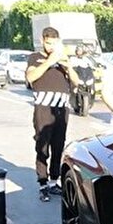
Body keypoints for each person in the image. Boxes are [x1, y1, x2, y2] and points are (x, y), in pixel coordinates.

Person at [25, 27, 79, 202]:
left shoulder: (63, 59)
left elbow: (76, 81)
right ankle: (42, 182)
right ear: (42, 41)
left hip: (61, 109)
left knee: (58, 145)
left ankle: (54, 181)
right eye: (48, 43)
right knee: (42, 145)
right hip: (44, 108)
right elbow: (31, 77)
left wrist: (67, 66)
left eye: (54, 43)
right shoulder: (36, 57)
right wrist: (49, 62)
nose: (51, 47)